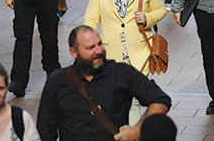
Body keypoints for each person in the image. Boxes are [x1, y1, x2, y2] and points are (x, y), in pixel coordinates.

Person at [37, 25, 171, 141]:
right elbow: (46, 130)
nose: (98, 51)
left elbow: (160, 100)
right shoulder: (57, 81)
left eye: (99, 44)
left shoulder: (121, 73)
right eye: (90, 48)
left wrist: (137, 130)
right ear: (74, 52)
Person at [83, 0, 166, 124]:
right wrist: (86, 44)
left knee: (134, 101)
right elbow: (91, 18)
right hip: (110, 52)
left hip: (139, 51)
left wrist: (147, 18)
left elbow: (160, 10)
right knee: (110, 100)